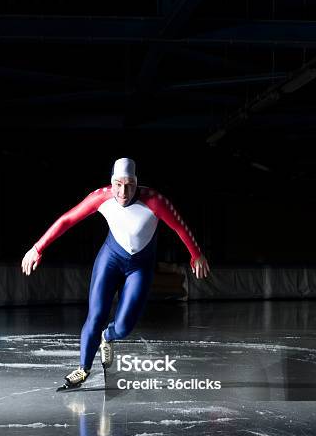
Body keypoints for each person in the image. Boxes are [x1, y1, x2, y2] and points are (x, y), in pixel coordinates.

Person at [21, 157, 210, 390]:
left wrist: (196, 254)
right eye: (118, 184)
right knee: (96, 315)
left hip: (140, 267)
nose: (123, 191)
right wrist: (37, 247)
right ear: (111, 184)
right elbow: (67, 220)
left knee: (124, 327)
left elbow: (180, 226)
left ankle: (108, 337)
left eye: (130, 185)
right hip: (110, 259)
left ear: (137, 184)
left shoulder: (154, 200)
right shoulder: (101, 197)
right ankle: (83, 368)